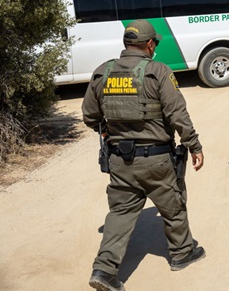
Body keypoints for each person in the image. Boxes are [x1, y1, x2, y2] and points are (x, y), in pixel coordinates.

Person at [82, 20, 205, 291]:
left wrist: (106, 132)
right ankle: (182, 253)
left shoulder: (103, 71)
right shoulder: (158, 71)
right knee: (173, 205)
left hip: (119, 160)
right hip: (156, 160)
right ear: (150, 44)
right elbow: (177, 114)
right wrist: (193, 145)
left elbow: (90, 115)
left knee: (120, 212)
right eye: (155, 44)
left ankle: (104, 270)